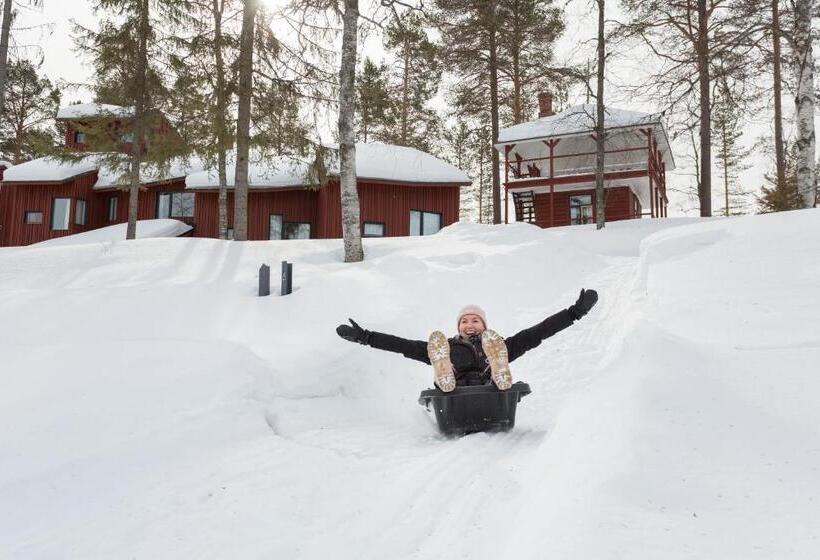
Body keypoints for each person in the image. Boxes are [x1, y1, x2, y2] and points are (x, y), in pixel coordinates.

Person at [336, 289, 599, 392]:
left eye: (475, 321)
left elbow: (539, 332)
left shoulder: (500, 345)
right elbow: (402, 345)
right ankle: (446, 374)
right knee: (438, 354)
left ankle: (496, 372)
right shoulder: (445, 347)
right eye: (464, 321)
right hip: (455, 391)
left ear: (485, 325)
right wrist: (366, 337)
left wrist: (574, 313)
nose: (469, 324)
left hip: (489, 389)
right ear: (458, 327)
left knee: (505, 352)